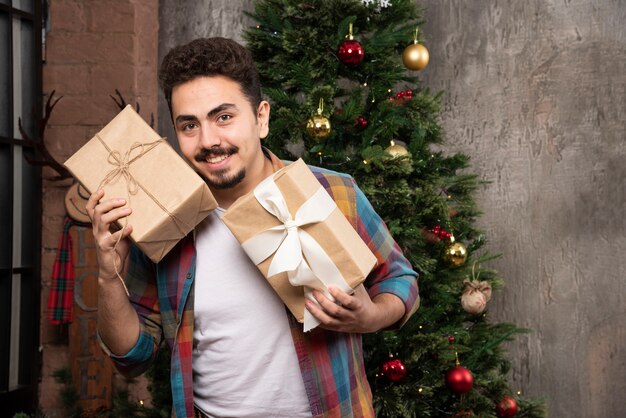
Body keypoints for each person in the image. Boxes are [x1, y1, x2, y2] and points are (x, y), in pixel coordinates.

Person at [87, 37, 419, 418]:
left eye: (223, 117)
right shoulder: (162, 222)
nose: (209, 141)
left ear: (261, 117)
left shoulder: (331, 192)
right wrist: (108, 276)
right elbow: (133, 357)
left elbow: (400, 278)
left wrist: (370, 316)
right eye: (189, 125)